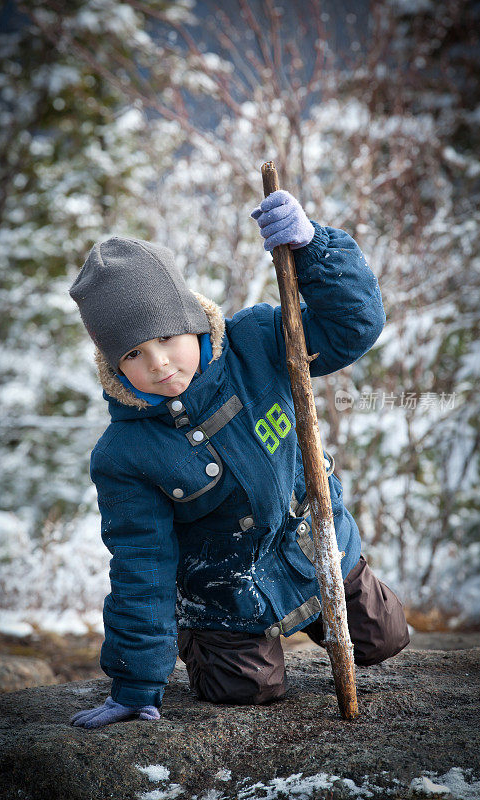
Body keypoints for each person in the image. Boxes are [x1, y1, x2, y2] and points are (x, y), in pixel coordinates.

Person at [68, 190, 409, 729]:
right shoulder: (124, 455)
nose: (158, 364)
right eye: (132, 353)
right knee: (244, 690)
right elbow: (140, 566)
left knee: (386, 636)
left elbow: (353, 326)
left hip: (313, 547)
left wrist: (314, 248)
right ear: (113, 364)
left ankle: (330, 607)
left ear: (191, 321)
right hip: (225, 592)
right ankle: (200, 642)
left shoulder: (257, 343)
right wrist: (135, 681)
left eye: (165, 338)